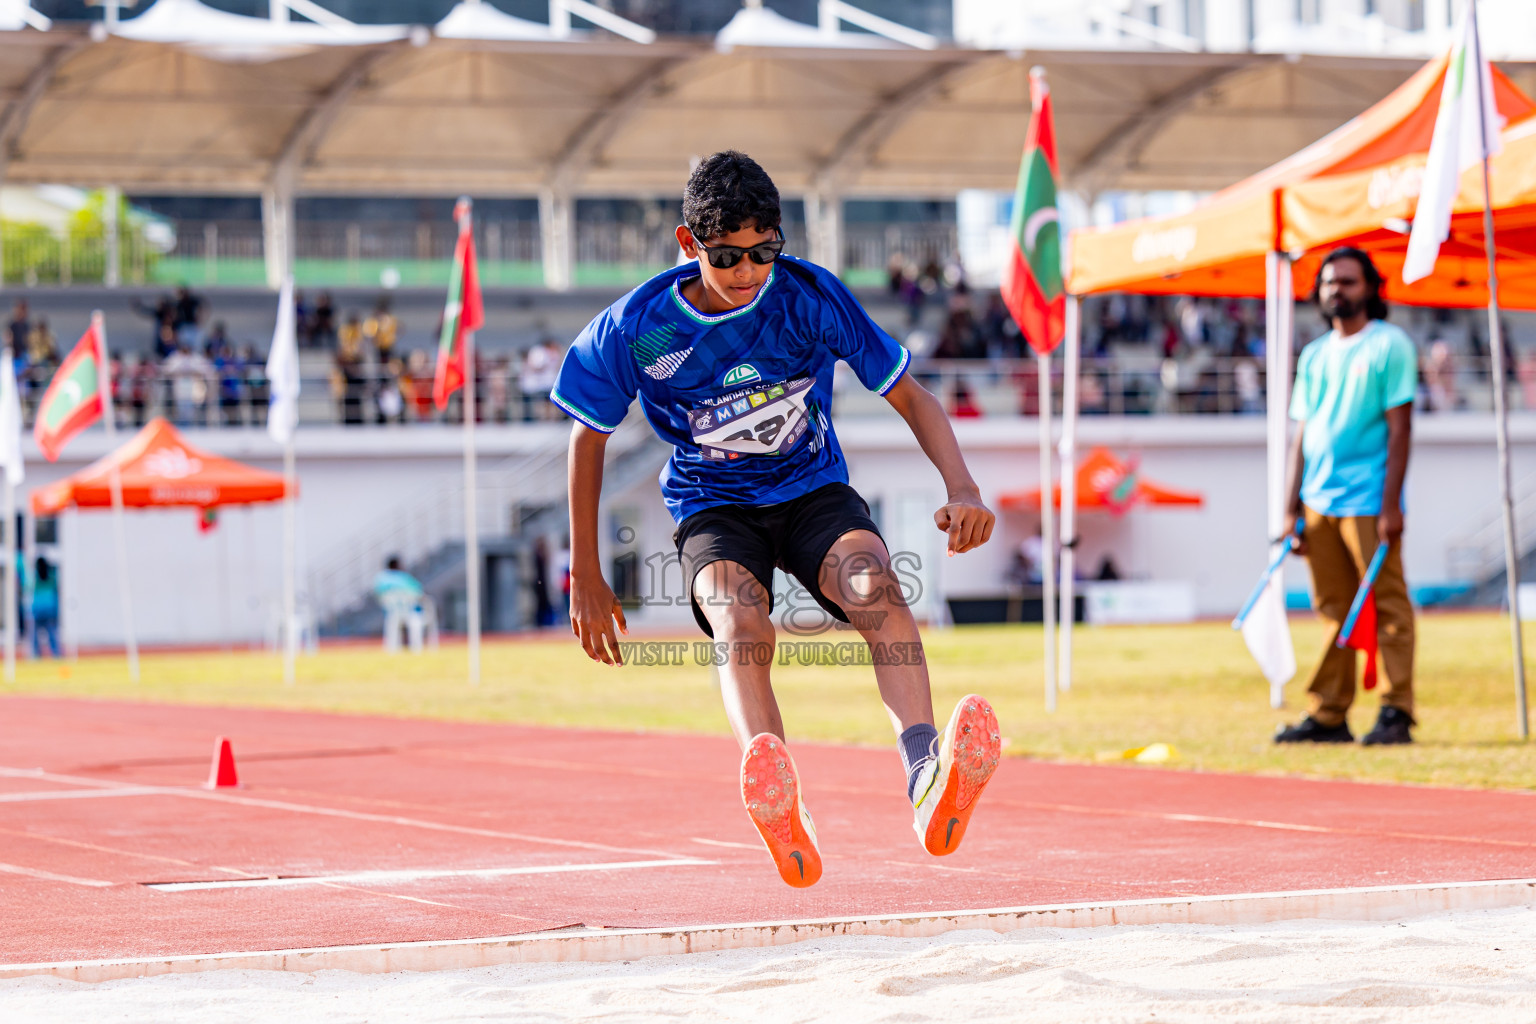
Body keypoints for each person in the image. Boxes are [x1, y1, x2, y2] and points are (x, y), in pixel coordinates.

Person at [553, 151, 1001, 889]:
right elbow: (587, 436)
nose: (749, 273)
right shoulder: (644, 328)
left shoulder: (808, 299)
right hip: (713, 505)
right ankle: (777, 793)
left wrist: (963, 484)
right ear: (688, 244)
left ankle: (925, 773)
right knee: (740, 618)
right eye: (728, 257)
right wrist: (587, 575)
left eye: (765, 253)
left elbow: (911, 394)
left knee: (877, 589)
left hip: (811, 489)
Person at [1276, 247, 1416, 747]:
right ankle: (1329, 714)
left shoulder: (1389, 345)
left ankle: (1397, 710)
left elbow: (1400, 431)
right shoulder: (1314, 354)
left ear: (1371, 288)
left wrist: (1392, 504)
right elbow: (1302, 437)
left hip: (1369, 501)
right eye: (1330, 282)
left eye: (1349, 282)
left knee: (1386, 603)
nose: (1337, 290)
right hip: (1318, 501)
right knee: (1334, 608)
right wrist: (1290, 508)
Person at [372, 556, 425, 654]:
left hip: (392, 612)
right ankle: (416, 648)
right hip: (410, 611)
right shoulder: (404, 577)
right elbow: (418, 593)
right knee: (416, 621)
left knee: (392, 624)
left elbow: (379, 594)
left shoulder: (381, 578)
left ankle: (391, 649)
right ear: (397, 565)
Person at [29, 556, 60, 659]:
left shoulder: (35, 577)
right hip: (50, 609)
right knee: (52, 634)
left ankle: (36, 656)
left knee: (34, 636)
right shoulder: (52, 576)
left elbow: (28, 587)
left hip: (37, 609)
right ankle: (56, 655)